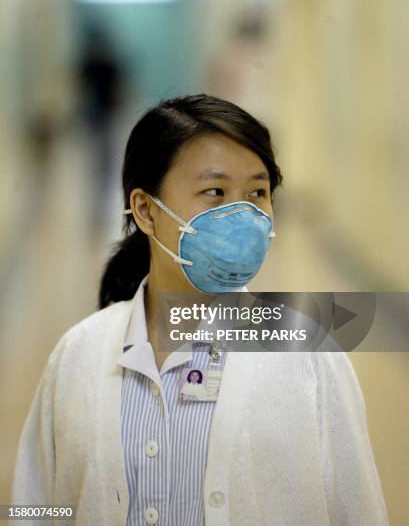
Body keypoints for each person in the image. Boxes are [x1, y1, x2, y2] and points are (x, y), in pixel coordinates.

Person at [12, 94, 389, 525]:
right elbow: (36, 505)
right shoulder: (76, 356)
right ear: (146, 211)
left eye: (257, 192)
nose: (244, 215)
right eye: (215, 191)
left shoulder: (310, 359)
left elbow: (358, 511)